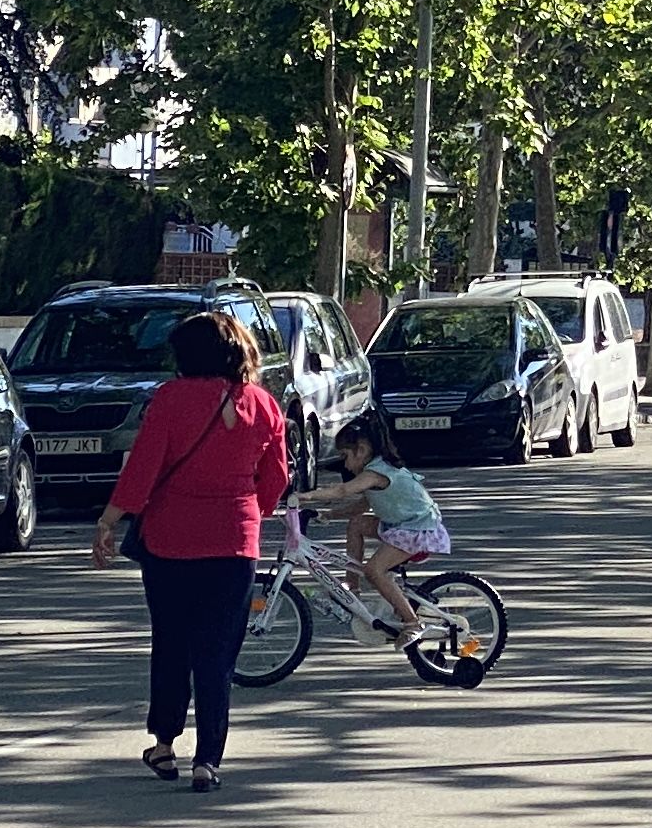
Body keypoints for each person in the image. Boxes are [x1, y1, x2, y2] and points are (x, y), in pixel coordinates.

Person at [95, 311, 291, 792]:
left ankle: (164, 744)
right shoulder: (264, 404)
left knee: (171, 642)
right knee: (217, 654)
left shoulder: (170, 399)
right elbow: (278, 478)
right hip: (234, 543)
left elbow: (144, 465)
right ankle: (208, 759)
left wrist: (110, 519)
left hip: (170, 539)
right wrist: (250, 513)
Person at [318, 412, 449, 641]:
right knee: (357, 524)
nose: (346, 464)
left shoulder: (376, 472)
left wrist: (302, 496)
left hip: (416, 530)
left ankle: (412, 623)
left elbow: (343, 490)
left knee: (374, 571)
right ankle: (352, 588)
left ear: (361, 450)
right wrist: (331, 514)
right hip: (401, 526)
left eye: (345, 456)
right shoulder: (374, 471)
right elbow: (359, 507)